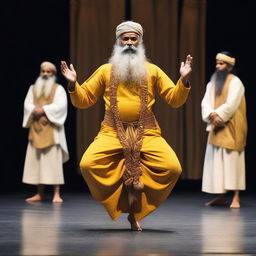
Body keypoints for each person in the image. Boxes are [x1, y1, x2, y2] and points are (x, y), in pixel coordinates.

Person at [61, 20, 192, 230]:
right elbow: (83, 100)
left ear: (140, 42)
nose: (130, 43)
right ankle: (123, 204)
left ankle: (136, 212)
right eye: (125, 39)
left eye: (134, 39)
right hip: (111, 131)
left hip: (147, 132)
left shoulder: (153, 70)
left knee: (172, 167)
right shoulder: (105, 70)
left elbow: (175, 99)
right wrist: (72, 84)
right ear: (118, 42)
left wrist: (183, 81)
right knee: (87, 164)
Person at [201, 51, 247, 208]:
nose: (217, 66)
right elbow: (205, 102)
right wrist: (211, 114)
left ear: (229, 66)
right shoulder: (212, 83)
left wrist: (219, 115)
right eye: (217, 63)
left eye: (221, 64)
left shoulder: (236, 82)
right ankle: (221, 195)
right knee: (218, 163)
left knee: (233, 161)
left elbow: (232, 103)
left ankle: (236, 196)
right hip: (217, 126)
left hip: (232, 126)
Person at [22, 61, 69, 203]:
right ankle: (39, 193)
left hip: (52, 130)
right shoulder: (33, 88)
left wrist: (44, 110)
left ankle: (56, 193)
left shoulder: (58, 89)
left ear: (53, 74)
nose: (45, 74)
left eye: (49, 72)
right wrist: (35, 111)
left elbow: (60, 106)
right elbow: (27, 104)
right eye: (43, 71)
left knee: (53, 163)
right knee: (38, 163)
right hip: (36, 129)